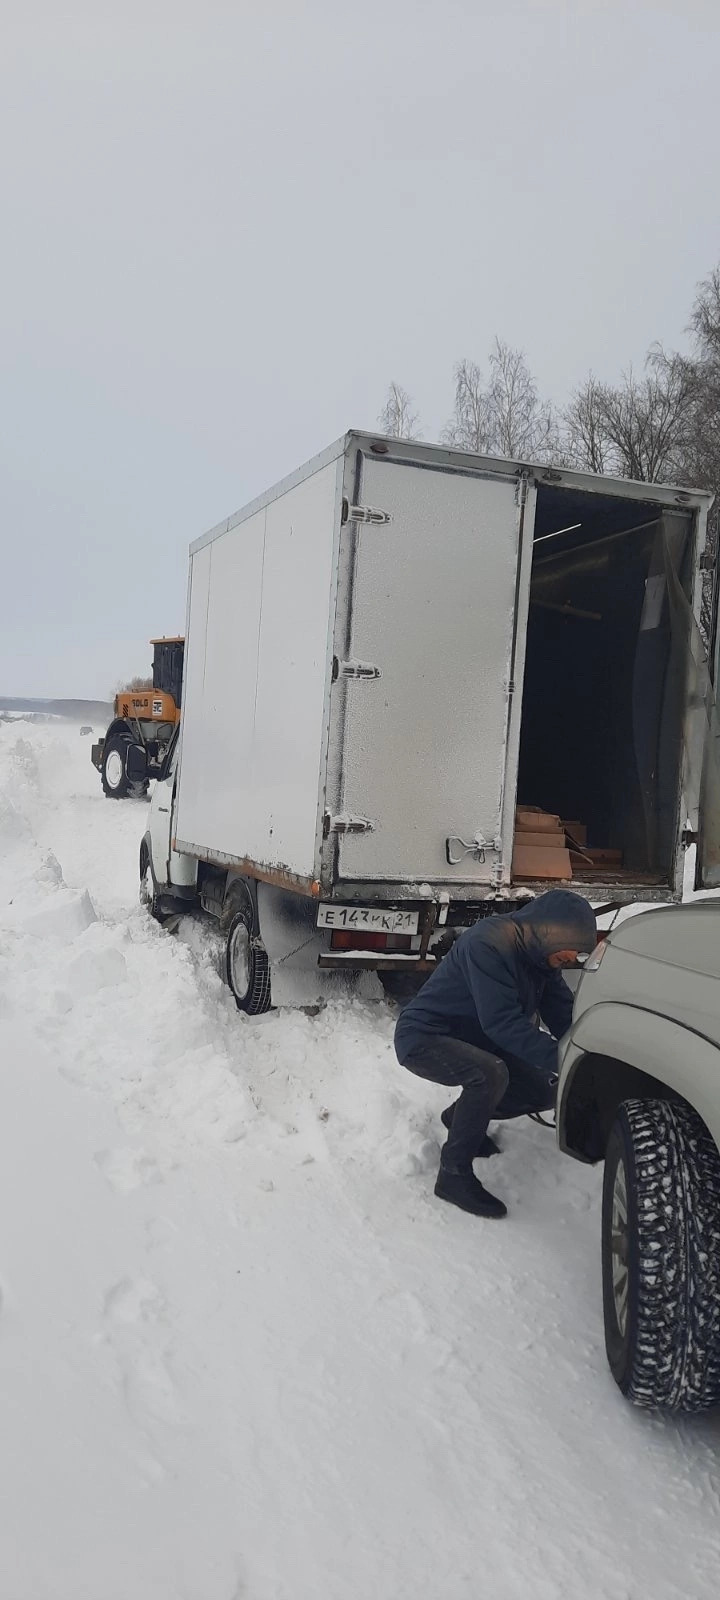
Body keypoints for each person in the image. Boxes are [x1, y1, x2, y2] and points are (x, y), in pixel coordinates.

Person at [394, 889, 598, 1219]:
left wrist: (589, 1054)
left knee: (545, 1087)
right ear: (548, 934)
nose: (568, 962)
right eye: (565, 956)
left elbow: (563, 1015)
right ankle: (453, 1175)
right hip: (425, 1037)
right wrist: (567, 1060)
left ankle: (458, 1120)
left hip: (478, 1040)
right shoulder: (488, 944)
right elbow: (502, 1025)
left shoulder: (540, 960)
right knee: (489, 1074)